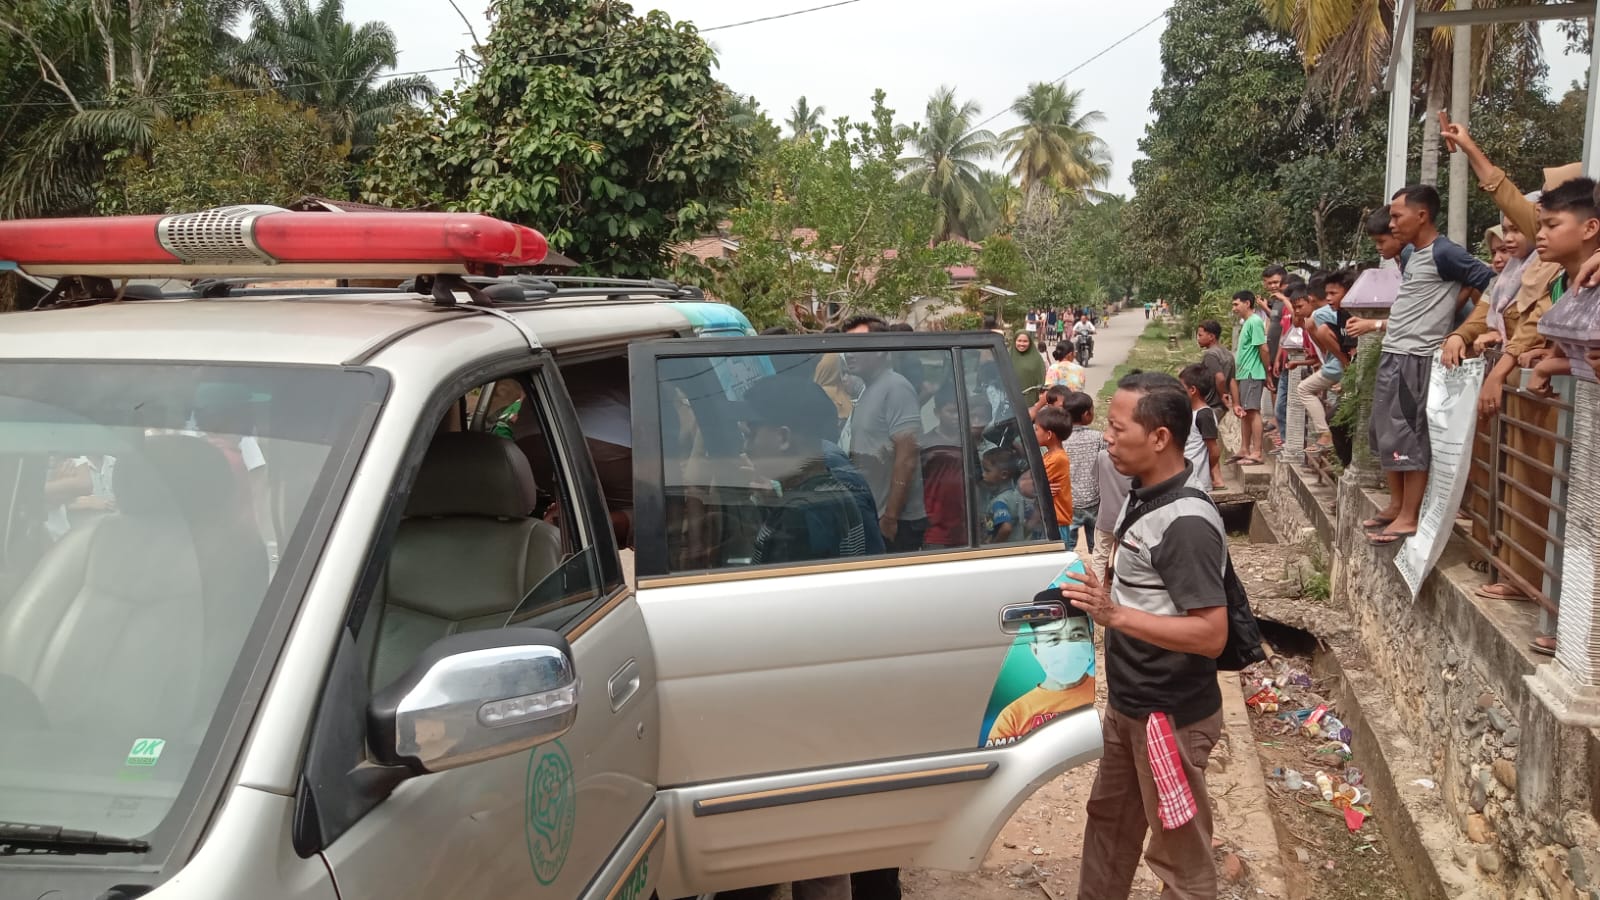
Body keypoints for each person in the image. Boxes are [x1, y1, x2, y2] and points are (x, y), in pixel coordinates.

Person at [1062, 371, 1230, 900]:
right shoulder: (1146, 495)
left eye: (1116, 428)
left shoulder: (1185, 522)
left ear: (1159, 438)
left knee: (1179, 857)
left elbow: (1210, 634)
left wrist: (1114, 615)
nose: (1107, 438)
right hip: (1132, 706)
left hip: (1169, 717)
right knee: (1109, 826)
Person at [725, 376, 863, 900]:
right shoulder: (826, 491)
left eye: (748, 432)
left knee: (811, 846)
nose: (743, 444)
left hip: (804, 699)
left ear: (781, 437)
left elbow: (782, 619)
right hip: (822, 689)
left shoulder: (806, 512)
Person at [1346, 184, 1495, 547]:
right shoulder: (1414, 255)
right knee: (1387, 432)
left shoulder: (1446, 253)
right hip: (1395, 352)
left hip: (1416, 357)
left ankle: (1410, 515)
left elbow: (1491, 283)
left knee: (1410, 437)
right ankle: (1397, 505)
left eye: (1398, 216)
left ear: (1422, 215)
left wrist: (1461, 331)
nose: (1393, 224)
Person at [842, 320, 927, 552]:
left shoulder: (896, 387)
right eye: (845, 346)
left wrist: (890, 517)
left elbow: (907, 456)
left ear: (880, 349)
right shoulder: (869, 389)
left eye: (855, 346)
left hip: (895, 522)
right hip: (874, 514)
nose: (848, 354)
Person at [984, 613, 1096, 746]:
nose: (1066, 649)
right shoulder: (1013, 717)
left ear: (1091, 641)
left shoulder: (1108, 695)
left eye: (1077, 636)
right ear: (1035, 651)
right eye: (1053, 639)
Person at [1294, 278, 1351, 457]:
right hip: (1341, 364)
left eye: (1333, 294)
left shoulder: (1321, 315)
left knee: (1304, 389)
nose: (1329, 298)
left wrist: (1343, 362)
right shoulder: (1339, 312)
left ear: (1310, 299)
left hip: (1338, 365)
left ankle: (1325, 435)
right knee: (1338, 408)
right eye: (1327, 294)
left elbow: (1316, 330)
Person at [1060, 390, 1106, 553]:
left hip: (1070, 502)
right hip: (1094, 500)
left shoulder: (1061, 439)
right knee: (1097, 548)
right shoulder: (1098, 437)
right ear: (1087, 414)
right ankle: (1100, 577)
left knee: (1068, 547)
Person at [1230, 291, 1269, 466]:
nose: (1234, 308)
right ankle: (1245, 448)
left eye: (1236, 304)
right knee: (1245, 412)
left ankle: (1257, 451)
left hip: (1252, 373)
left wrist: (1267, 372)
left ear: (1247, 303)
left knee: (1252, 411)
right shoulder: (1247, 323)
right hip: (1244, 373)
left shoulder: (1255, 322)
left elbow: (1264, 348)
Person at [1179, 364, 1224, 492]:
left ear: (1192, 390)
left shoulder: (1204, 415)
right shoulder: (1191, 413)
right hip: (1186, 475)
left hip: (1196, 479)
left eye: (1182, 388)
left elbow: (1213, 450)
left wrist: (1213, 471)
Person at [1035, 405, 1074, 534]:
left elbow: (1033, 480)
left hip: (1057, 523)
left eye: (1036, 429)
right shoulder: (1050, 455)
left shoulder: (1057, 459)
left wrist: (1041, 488)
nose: (1034, 433)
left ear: (1049, 434)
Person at [978, 446, 1025, 544]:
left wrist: (994, 546)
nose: (983, 474)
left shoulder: (999, 501)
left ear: (1003, 475)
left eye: (987, 471)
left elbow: (1006, 528)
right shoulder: (1015, 495)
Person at [1010, 330, 1047, 405]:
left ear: (1030, 342)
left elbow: (1041, 378)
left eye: (1025, 341)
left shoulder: (1036, 358)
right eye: (1019, 341)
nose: (1022, 344)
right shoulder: (1007, 356)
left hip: (1030, 399)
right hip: (1010, 398)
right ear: (1014, 341)